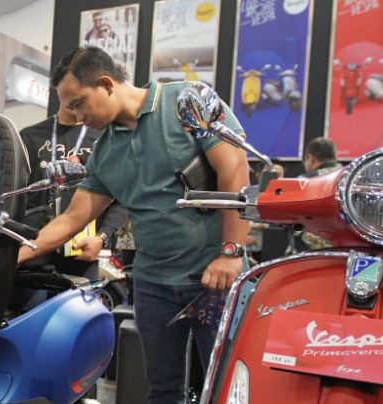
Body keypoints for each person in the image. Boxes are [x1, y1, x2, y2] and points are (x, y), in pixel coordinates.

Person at [19, 46, 250, 404]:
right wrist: (17, 255)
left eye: (79, 103)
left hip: (215, 278)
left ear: (106, 84)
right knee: (161, 391)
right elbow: (71, 219)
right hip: (153, 283)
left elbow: (234, 168)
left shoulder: (186, 100)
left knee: (229, 389)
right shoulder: (104, 153)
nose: (76, 116)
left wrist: (230, 252)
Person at [18, 108, 130, 279]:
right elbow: (17, 193)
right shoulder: (29, 136)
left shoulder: (105, 138)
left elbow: (122, 198)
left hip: (81, 251)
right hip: (33, 247)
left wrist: (101, 237)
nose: (74, 104)